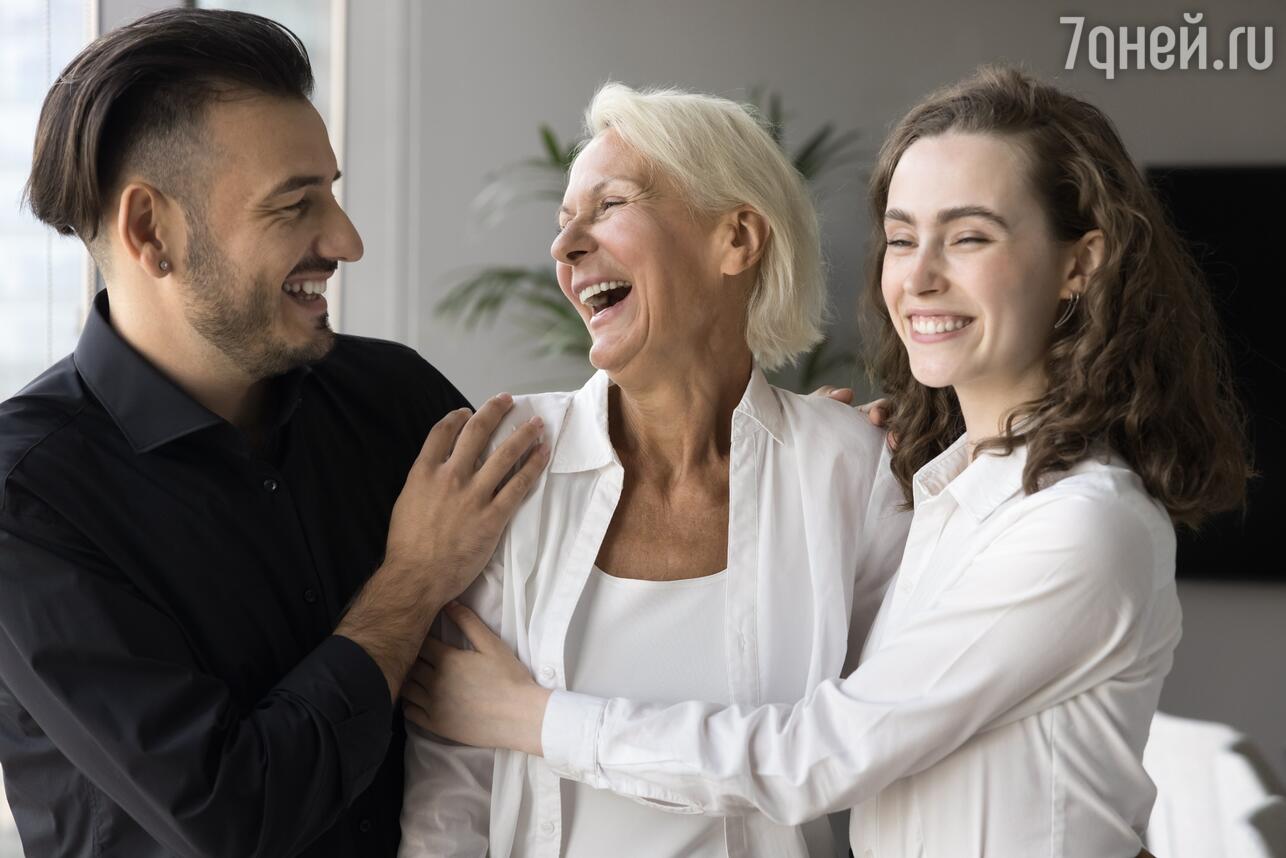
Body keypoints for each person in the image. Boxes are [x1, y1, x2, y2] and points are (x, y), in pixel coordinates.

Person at [410, 66, 1252, 858]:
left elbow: (823, 752)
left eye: (968, 236)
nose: (919, 275)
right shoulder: (933, 488)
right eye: (900, 238)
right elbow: (449, 790)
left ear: (1080, 263)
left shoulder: (1071, 523)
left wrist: (531, 717)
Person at [0, 9, 546, 857]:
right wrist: (411, 579)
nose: (346, 239)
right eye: (296, 205)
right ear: (151, 230)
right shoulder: (25, 499)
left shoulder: (394, 396)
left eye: (331, 190)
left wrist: (782, 452)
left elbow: (569, 578)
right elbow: (231, 812)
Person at [397, 84, 910, 858]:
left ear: (736, 238)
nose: (565, 249)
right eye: (563, 220)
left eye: (608, 205)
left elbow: (882, 747)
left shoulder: (848, 471)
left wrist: (533, 716)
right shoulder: (511, 462)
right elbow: (451, 786)